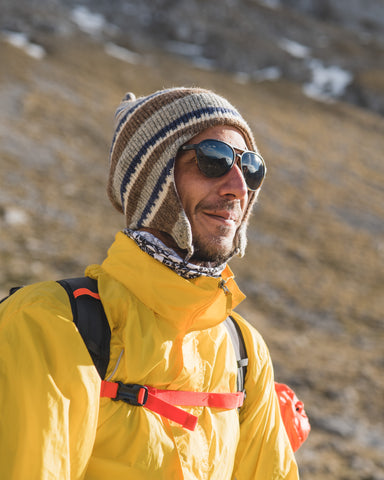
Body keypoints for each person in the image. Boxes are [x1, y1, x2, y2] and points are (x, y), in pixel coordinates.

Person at [0, 87, 301, 479]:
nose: (239, 188)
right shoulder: (45, 324)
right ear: (155, 180)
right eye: (213, 160)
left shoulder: (245, 351)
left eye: (251, 168)